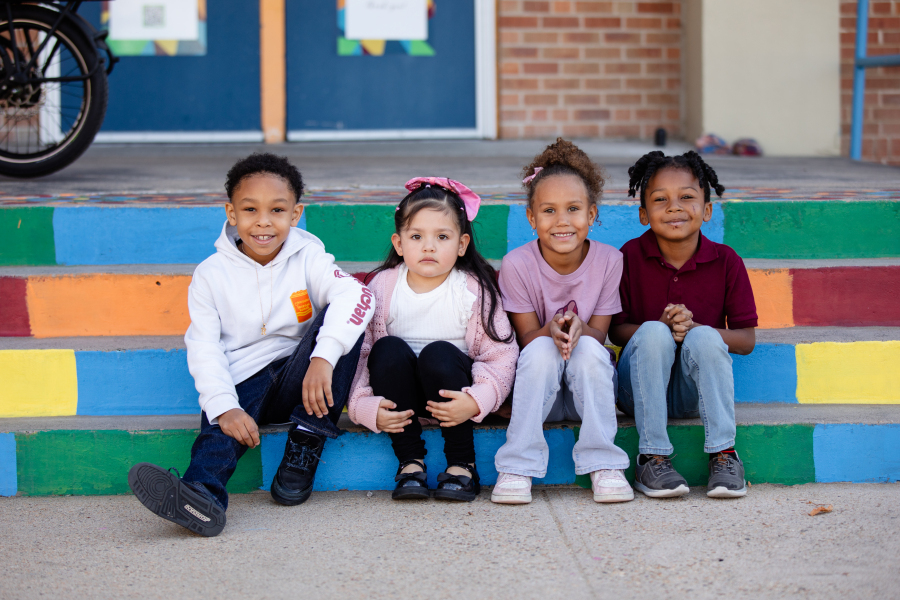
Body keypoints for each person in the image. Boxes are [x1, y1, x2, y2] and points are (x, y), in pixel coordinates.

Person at [128, 153, 374, 536]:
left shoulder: (309, 256)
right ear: (231, 213)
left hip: (303, 377)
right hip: (244, 383)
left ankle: (306, 441)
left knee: (343, 321)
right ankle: (201, 498)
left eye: (277, 210)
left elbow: (359, 296)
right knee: (220, 426)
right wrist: (224, 408)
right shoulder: (210, 275)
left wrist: (323, 357)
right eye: (250, 209)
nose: (263, 221)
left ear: (295, 215)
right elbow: (204, 346)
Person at [348, 178, 518, 502]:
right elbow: (361, 354)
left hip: (453, 395)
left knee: (438, 353)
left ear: (462, 244)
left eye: (442, 237)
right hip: (401, 400)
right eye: (417, 236)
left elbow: (502, 355)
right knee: (387, 349)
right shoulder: (383, 287)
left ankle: (462, 463)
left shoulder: (472, 291)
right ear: (399, 244)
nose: (429, 246)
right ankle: (410, 463)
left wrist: (477, 399)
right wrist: (362, 407)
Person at [609, 150, 757, 499]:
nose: (674, 207)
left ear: (706, 209)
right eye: (661, 199)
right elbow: (615, 331)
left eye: (687, 197)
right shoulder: (629, 256)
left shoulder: (726, 261)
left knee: (706, 336)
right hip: (638, 390)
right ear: (644, 213)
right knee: (654, 332)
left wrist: (693, 331)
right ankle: (652, 456)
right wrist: (658, 325)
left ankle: (723, 453)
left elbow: (746, 339)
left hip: (694, 394)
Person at [492, 138, 632, 505]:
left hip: (591, 390)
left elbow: (600, 335)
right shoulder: (517, 265)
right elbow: (525, 339)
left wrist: (581, 329)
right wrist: (550, 331)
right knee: (540, 348)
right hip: (539, 394)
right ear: (531, 217)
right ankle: (517, 465)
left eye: (573, 208)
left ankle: (605, 463)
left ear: (591, 213)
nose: (562, 221)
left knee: (587, 347)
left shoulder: (609, 261)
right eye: (549, 211)